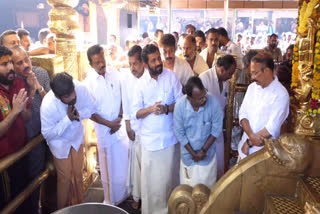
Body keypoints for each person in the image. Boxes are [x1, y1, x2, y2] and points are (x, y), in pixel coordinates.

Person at [132, 44, 182, 214]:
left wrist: (167, 108)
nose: (158, 62)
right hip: (150, 142)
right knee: (150, 185)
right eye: (153, 60)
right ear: (145, 64)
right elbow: (136, 113)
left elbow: (181, 103)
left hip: (168, 140)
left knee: (168, 181)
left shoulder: (171, 77)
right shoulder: (140, 85)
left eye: (158, 58)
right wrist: (151, 109)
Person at [40, 72, 98, 209]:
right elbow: (47, 134)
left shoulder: (80, 88)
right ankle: (64, 211)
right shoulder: (48, 105)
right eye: (67, 96)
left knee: (78, 176)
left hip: (76, 137)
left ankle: (79, 208)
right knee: (65, 179)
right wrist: (67, 120)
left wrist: (80, 115)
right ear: (58, 96)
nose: (72, 97)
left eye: (73, 92)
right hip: (59, 142)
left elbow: (92, 107)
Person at [84, 44, 129, 205]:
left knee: (123, 166)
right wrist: (109, 124)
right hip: (105, 132)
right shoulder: (87, 83)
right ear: (91, 64)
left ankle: (125, 195)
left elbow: (124, 95)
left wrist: (120, 116)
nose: (101, 65)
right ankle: (111, 202)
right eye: (97, 63)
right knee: (108, 170)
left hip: (120, 128)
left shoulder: (114, 73)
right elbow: (89, 112)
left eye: (102, 60)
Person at [11, 45, 51, 213]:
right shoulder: (10, 81)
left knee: (35, 182)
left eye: (26, 59)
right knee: (17, 189)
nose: (25, 65)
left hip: (37, 139)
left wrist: (36, 88)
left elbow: (51, 103)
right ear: (12, 65)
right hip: (16, 144)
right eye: (19, 63)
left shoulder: (40, 73)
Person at [238, 53, 289, 160]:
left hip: (264, 155)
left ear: (266, 71)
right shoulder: (252, 88)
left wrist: (249, 142)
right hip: (244, 148)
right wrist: (251, 137)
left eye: (255, 73)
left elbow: (272, 127)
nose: (252, 77)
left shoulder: (281, 94)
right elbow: (243, 114)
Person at [174, 76, 223, 187]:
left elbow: (216, 129)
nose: (204, 99)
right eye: (200, 98)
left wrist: (203, 150)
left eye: (204, 95)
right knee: (188, 193)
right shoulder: (180, 106)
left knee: (207, 192)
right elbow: (179, 133)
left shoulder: (213, 102)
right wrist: (193, 154)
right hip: (188, 156)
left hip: (207, 156)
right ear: (190, 99)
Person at [0, 45, 31, 213]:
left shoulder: (17, 82)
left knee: (23, 199)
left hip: (21, 153)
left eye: (11, 62)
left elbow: (27, 117)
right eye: (4, 64)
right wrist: (14, 112)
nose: (11, 67)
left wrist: (23, 109)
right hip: (3, 163)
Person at [199, 55, 236, 178]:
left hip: (218, 130)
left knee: (219, 163)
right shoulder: (204, 78)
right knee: (206, 166)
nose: (231, 76)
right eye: (230, 73)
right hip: (204, 130)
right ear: (221, 69)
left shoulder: (225, 83)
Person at [121, 45, 145, 209]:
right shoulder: (127, 79)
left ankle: (148, 196)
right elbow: (126, 103)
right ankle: (137, 196)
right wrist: (128, 125)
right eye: (130, 64)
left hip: (149, 130)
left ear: (143, 62)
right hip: (134, 129)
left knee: (148, 166)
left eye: (135, 63)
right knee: (135, 166)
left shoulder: (151, 77)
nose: (132, 68)